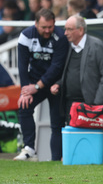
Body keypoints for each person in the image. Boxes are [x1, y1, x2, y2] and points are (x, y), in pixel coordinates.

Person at [14, 9, 68, 161]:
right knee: (24, 106)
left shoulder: (61, 37)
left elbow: (57, 66)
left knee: (57, 122)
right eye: (44, 27)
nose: (47, 30)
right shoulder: (26, 36)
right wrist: (26, 91)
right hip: (35, 80)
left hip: (55, 84)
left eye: (50, 27)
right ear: (36, 24)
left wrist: (37, 86)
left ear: (54, 24)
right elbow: (22, 66)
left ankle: (56, 159)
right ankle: (29, 148)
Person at [50, 15, 103, 121]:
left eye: (69, 29)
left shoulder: (96, 45)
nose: (65, 33)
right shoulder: (68, 47)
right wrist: (58, 84)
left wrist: (97, 104)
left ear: (80, 30)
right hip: (70, 105)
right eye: (65, 29)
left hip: (90, 106)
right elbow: (69, 73)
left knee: (88, 136)